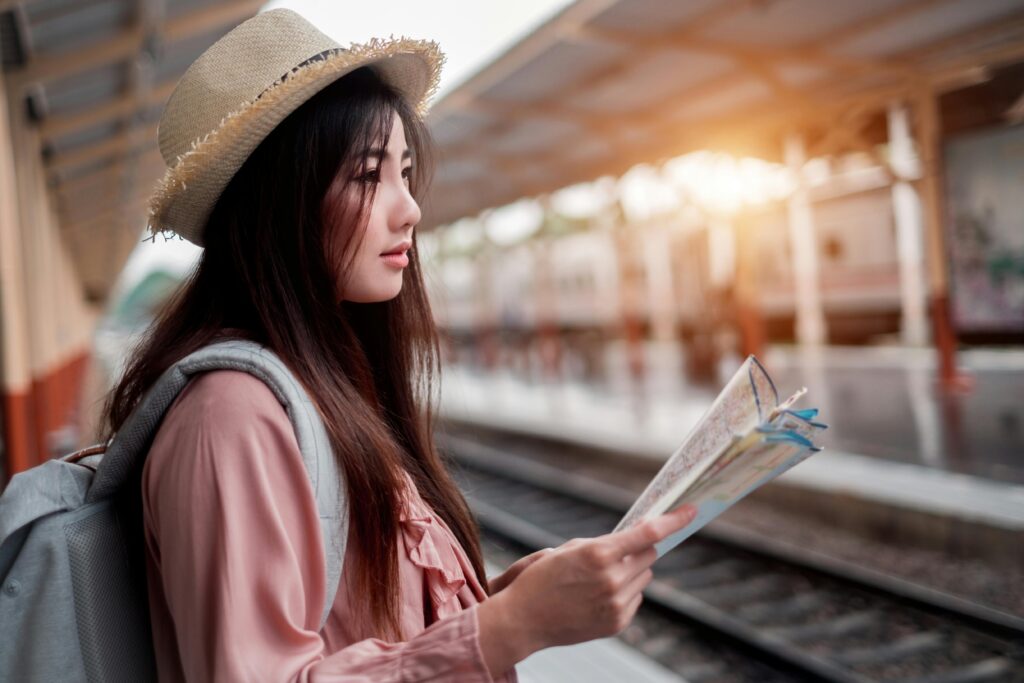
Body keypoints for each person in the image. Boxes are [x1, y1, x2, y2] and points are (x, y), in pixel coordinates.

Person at [101, 9, 697, 682]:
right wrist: (510, 627)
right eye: (367, 175)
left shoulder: (319, 385)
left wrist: (500, 603)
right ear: (280, 202)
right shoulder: (231, 415)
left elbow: (352, 631)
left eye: (405, 172)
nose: (408, 206)